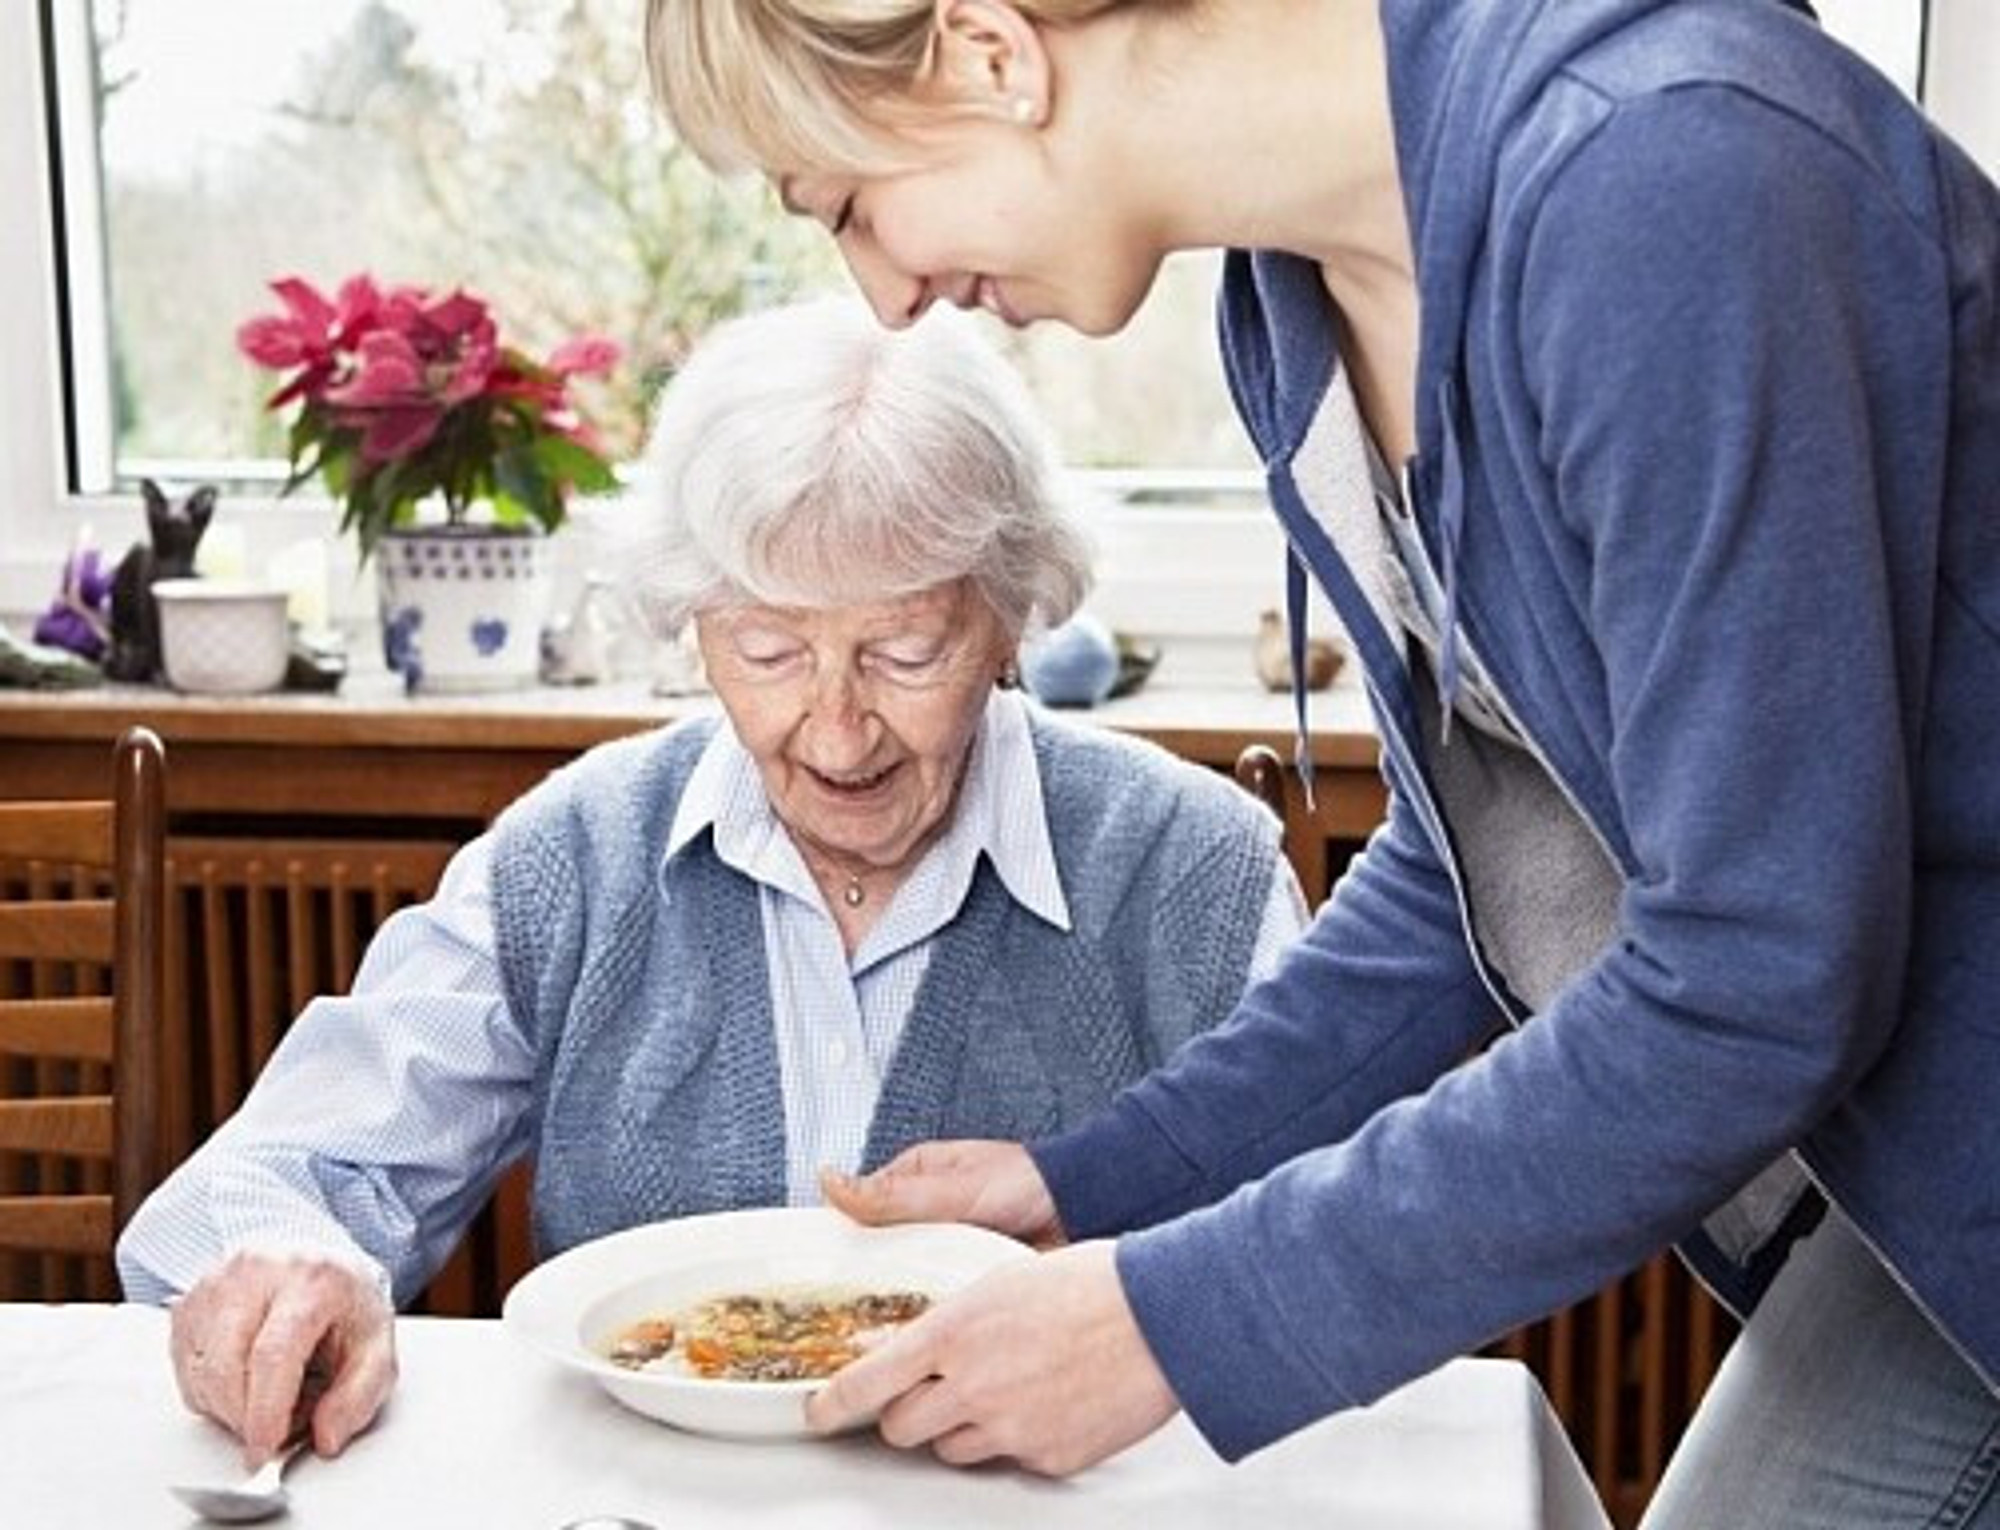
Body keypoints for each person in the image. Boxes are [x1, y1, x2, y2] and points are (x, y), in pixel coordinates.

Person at [645, 0, 2000, 1522]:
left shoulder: (1660, 169)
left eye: (848, 204)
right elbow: (1486, 849)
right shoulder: (1295, 304)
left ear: (986, 48)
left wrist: (1177, 1318)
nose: (881, 295)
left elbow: (1759, 974)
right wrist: (1099, 1182)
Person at [116, 297, 1305, 1468]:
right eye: (769, 651)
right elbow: (277, 1177)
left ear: (1008, 620)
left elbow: (1333, 1243)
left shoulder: (1195, 871)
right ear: (691, 625)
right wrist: (288, 1262)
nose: (838, 735)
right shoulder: (573, 856)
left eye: (904, 653)